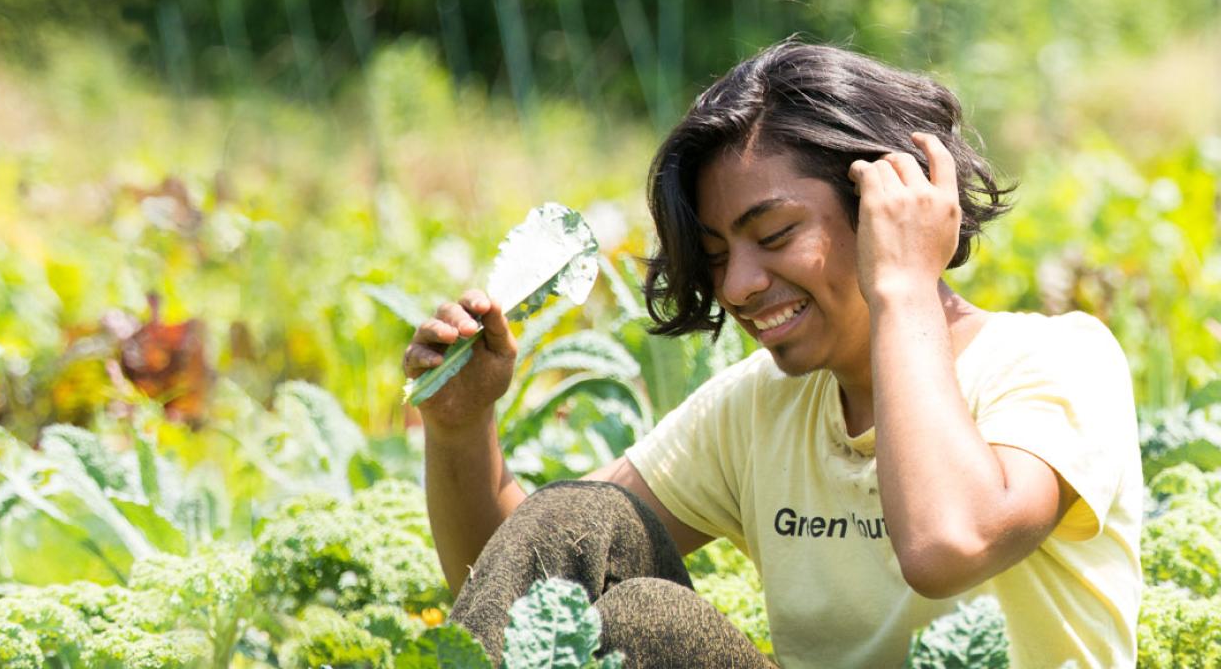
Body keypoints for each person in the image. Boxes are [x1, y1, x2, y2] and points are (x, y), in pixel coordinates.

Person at [402, 39, 1143, 668]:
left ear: (887, 206)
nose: (740, 285)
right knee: (578, 521)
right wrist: (462, 431)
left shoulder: (1056, 361)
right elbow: (513, 581)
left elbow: (948, 544)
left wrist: (905, 283)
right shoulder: (760, 405)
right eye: (719, 254)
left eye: (776, 234)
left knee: (644, 621)